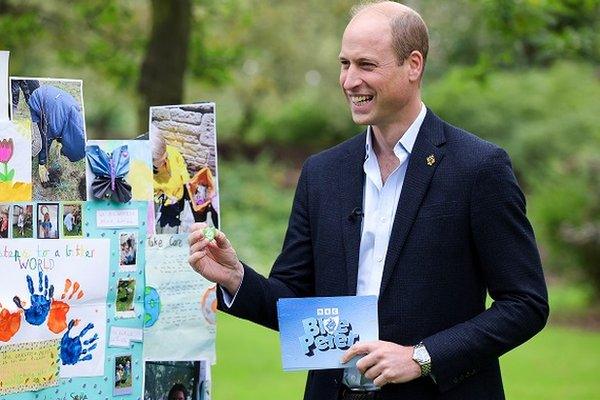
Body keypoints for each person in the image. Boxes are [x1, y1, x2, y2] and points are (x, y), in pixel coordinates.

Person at [188, 2, 549, 399]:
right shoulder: (321, 173)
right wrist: (235, 278)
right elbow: (293, 303)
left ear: (413, 65)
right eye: (344, 64)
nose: (349, 80)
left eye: (366, 65)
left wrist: (422, 357)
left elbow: (525, 303)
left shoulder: (479, 168)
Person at [25, 84, 86, 183]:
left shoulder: (78, 119)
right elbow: (46, 139)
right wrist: (42, 163)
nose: (64, 155)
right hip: (38, 99)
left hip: (53, 100)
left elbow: (66, 127)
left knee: (55, 128)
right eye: (66, 154)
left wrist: (59, 142)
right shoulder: (55, 125)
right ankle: (25, 160)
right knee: (38, 143)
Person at [151, 129, 191, 233]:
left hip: (181, 192)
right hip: (170, 202)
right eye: (161, 161)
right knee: (173, 212)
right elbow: (156, 196)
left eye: (166, 156)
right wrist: (167, 199)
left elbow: (181, 164)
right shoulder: (150, 178)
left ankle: (180, 207)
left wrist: (186, 180)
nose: (166, 160)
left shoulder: (171, 152)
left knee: (181, 206)